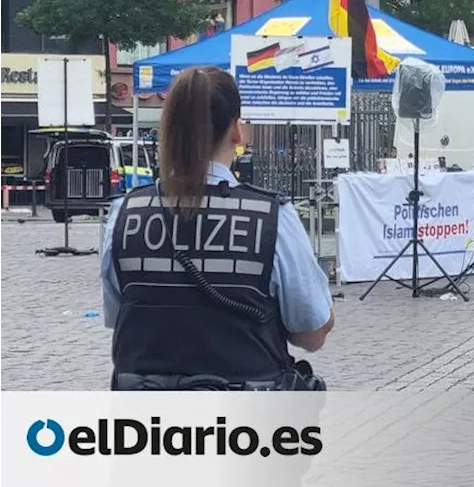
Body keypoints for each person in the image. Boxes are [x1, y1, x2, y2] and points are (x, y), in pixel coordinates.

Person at [100, 67, 334, 391]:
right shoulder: (272, 218)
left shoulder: (123, 214)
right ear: (237, 131)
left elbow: (119, 317)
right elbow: (312, 333)